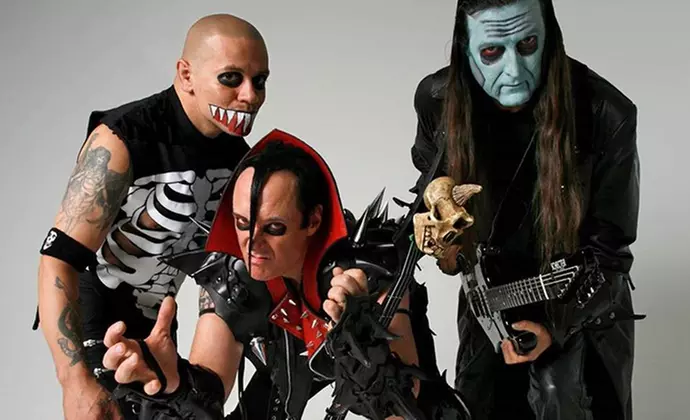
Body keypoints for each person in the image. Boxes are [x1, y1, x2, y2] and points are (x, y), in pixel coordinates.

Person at [98, 129, 471, 420]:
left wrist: (364, 342)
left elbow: (402, 403)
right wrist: (172, 381)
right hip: (282, 379)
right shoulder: (235, 275)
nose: (252, 244)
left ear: (313, 221)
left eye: (274, 228)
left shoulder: (363, 274)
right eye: (242, 224)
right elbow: (208, 393)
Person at [408, 0, 643, 419]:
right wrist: (441, 241)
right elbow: (429, 191)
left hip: (580, 306)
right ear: (464, 47)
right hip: (489, 304)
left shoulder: (607, 113)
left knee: (561, 398)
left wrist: (556, 325)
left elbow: (609, 253)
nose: (514, 71)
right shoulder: (437, 100)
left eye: (528, 44)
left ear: (549, 35)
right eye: (492, 52)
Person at [35, 13, 269, 419]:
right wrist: (75, 382)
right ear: (186, 74)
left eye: (260, 80)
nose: (249, 96)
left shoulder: (239, 161)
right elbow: (58, 259)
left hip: (160, 326)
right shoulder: (123, 138)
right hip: (97, 324)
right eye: (231, 78)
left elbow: (225, 275)